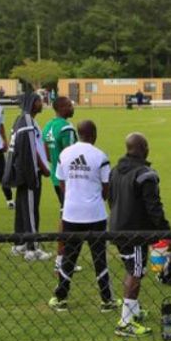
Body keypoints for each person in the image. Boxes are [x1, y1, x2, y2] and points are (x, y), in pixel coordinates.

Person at [48, 121, 116, 313]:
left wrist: (72, 198)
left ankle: (60, 298)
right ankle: (106, 300)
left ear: (78, 134)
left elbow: (62, 183)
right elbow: (106, 188)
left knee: (69, 256)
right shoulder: (100, 156)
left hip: (71, 214)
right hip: (95, 214)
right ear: (93, 134)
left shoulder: (65, 154)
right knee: (99, 258)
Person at [109, 132, 171, 337]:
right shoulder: (146, 174)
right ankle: (125, 322)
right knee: (135, 272)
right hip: (135, 232)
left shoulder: (115, 171)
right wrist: (165, 230)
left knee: (132, 267)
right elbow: (154, 206)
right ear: (144, 148)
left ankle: (133, 310)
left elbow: (110, 198)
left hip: (117, 227)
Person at [3, 93, 52, 261]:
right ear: (32, 103)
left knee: (23, 208)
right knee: (31, 209)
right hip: (29, 172)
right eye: (39, 101)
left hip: (22, 170)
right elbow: (29, 150)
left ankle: (20, 243)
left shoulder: (22, 119)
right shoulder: (27, 121)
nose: (41, 103)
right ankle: (33, 248)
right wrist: (43, 169)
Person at [42, 96, 79, 270]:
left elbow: (47, 153)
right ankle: (62, 261)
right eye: (70, 105)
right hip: (69, 180)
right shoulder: (66, 128)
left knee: (65, 215)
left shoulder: (48, 125)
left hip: (56, 178)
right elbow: (72, 155)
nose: (73, 107)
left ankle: (63, 259)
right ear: (63, 107)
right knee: (67, 218)